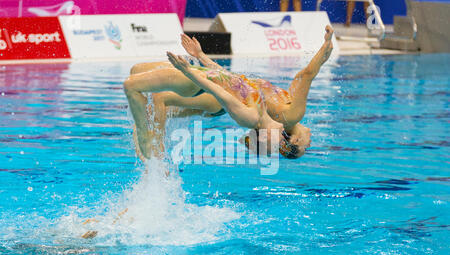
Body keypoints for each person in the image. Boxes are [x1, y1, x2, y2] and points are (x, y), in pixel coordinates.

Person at [123, 26, 334, 160]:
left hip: (200, 82)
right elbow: (233, 82)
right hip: (204, 77)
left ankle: (148, 142)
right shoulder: (263, 111)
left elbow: (220, 91)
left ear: (290, 141)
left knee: (139, 89)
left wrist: (188, 69)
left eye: (307, 147)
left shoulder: (261, 116)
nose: (311, 142)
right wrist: (201, 56)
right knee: (138, 76)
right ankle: (151, 143)